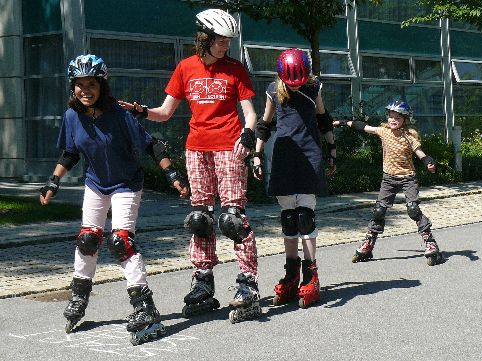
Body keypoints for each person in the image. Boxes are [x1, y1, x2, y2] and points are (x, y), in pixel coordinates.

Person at [119, 9, 261, 323]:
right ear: (204, 40)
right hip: (197, 149)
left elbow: (250, 112)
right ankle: (203, 282)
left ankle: (247, 284)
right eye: (220, 40)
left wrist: (249, 134)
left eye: (227, 41)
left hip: (229, 147)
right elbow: (165, 111)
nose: (225, 46)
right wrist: (142, 111)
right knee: (201, 218)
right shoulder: (186, 68)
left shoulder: (235, 69)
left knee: (234, 218)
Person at [39, 54, 189, 345]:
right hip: (96, 184)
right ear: (73, 88)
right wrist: (53, 182)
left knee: (121, 240)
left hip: (126, 184)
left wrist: (172, 175)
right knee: (87, 238)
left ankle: (144, 306)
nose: (85, 90)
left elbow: (152, 145)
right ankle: (79, 297)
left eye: (91, 84)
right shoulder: (73, 116)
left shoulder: (120, 115)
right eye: (79, 85)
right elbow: (70, 153)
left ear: (102, 85)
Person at [252, 48, 337, 308]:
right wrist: (256, 154)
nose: (296, 84)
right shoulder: (272, 90)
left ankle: (311, 276)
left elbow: (323, 119)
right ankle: (292, 274)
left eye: (299, 80)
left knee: (305, 215)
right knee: (289, 218)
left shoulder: (314, 88)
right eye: (291, 81)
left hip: (309, 153)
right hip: (285, 155)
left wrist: (332, 149)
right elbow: (264, 125)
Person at [334, 100, 442, 266]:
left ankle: (430, 242)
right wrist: (343, 122)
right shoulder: (384, 131)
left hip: (408, 178)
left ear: (405, 120)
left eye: (397, 118)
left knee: (413, 209)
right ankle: (369, 243)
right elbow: (363, 127)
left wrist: (428, 162)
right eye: (391, 117)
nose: (393, 120)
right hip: (389, 179)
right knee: (379, 211)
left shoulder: (409, 136)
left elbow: (420, 153)